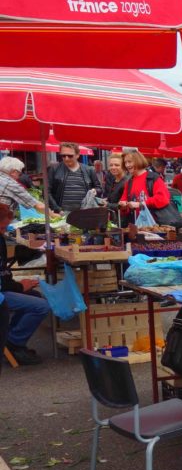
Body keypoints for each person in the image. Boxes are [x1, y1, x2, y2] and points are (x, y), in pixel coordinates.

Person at [0, 204, 49, 365]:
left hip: (4, 289)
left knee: (34, 296)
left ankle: (11, 337)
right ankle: (14, 343)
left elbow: (4, 275)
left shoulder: (0, 238)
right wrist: (20, 287)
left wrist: (20, 286)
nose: (4, 230)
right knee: (41, 305)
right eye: (2, 227)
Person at [118, 151, 175, 224]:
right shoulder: (129, 182)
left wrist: (141, 204)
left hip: (153, 225)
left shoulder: (153, 178)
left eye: (129, 162)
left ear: (138, 161)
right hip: (134, 225)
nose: (127, 165)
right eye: (125, 162)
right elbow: (124, 201)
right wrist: (123, 205)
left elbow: (162, 199)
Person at [47, 142, 100, 213]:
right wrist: (57, 209)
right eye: (63, 156)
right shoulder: (54, 169)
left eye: (70, 156)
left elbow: (99, 188)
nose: (66, 158)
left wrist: (95, 190)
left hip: (85, 212)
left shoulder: (89, 170)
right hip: (62, 213)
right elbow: (46, 192)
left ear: (77, 155)